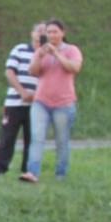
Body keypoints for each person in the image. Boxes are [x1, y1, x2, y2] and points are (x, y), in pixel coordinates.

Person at [21, 19, 83, 183]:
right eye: (49, 32)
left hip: (63, 103)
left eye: (55, 31)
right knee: (37, 137)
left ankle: (60, 174)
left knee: (61, 140)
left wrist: (56, 54)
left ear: (63, 33)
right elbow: (33, 72)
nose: (52, 35)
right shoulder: (41, 50)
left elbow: (74, 68)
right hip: (41, 101)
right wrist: (40, 56)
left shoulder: (71, 50)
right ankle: (32, 173)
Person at [0, 22, 45, 176]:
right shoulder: (20, 49)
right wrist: (22, 92)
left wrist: (36, 95)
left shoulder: (48, 55)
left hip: (37, 104)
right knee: (7, 138)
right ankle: (0, 169)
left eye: (44, 31)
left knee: (32, 140)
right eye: (38, 30)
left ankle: (27, 170)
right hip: (15, 102)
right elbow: (9, 72)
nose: (40, 34)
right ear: (32, 33)